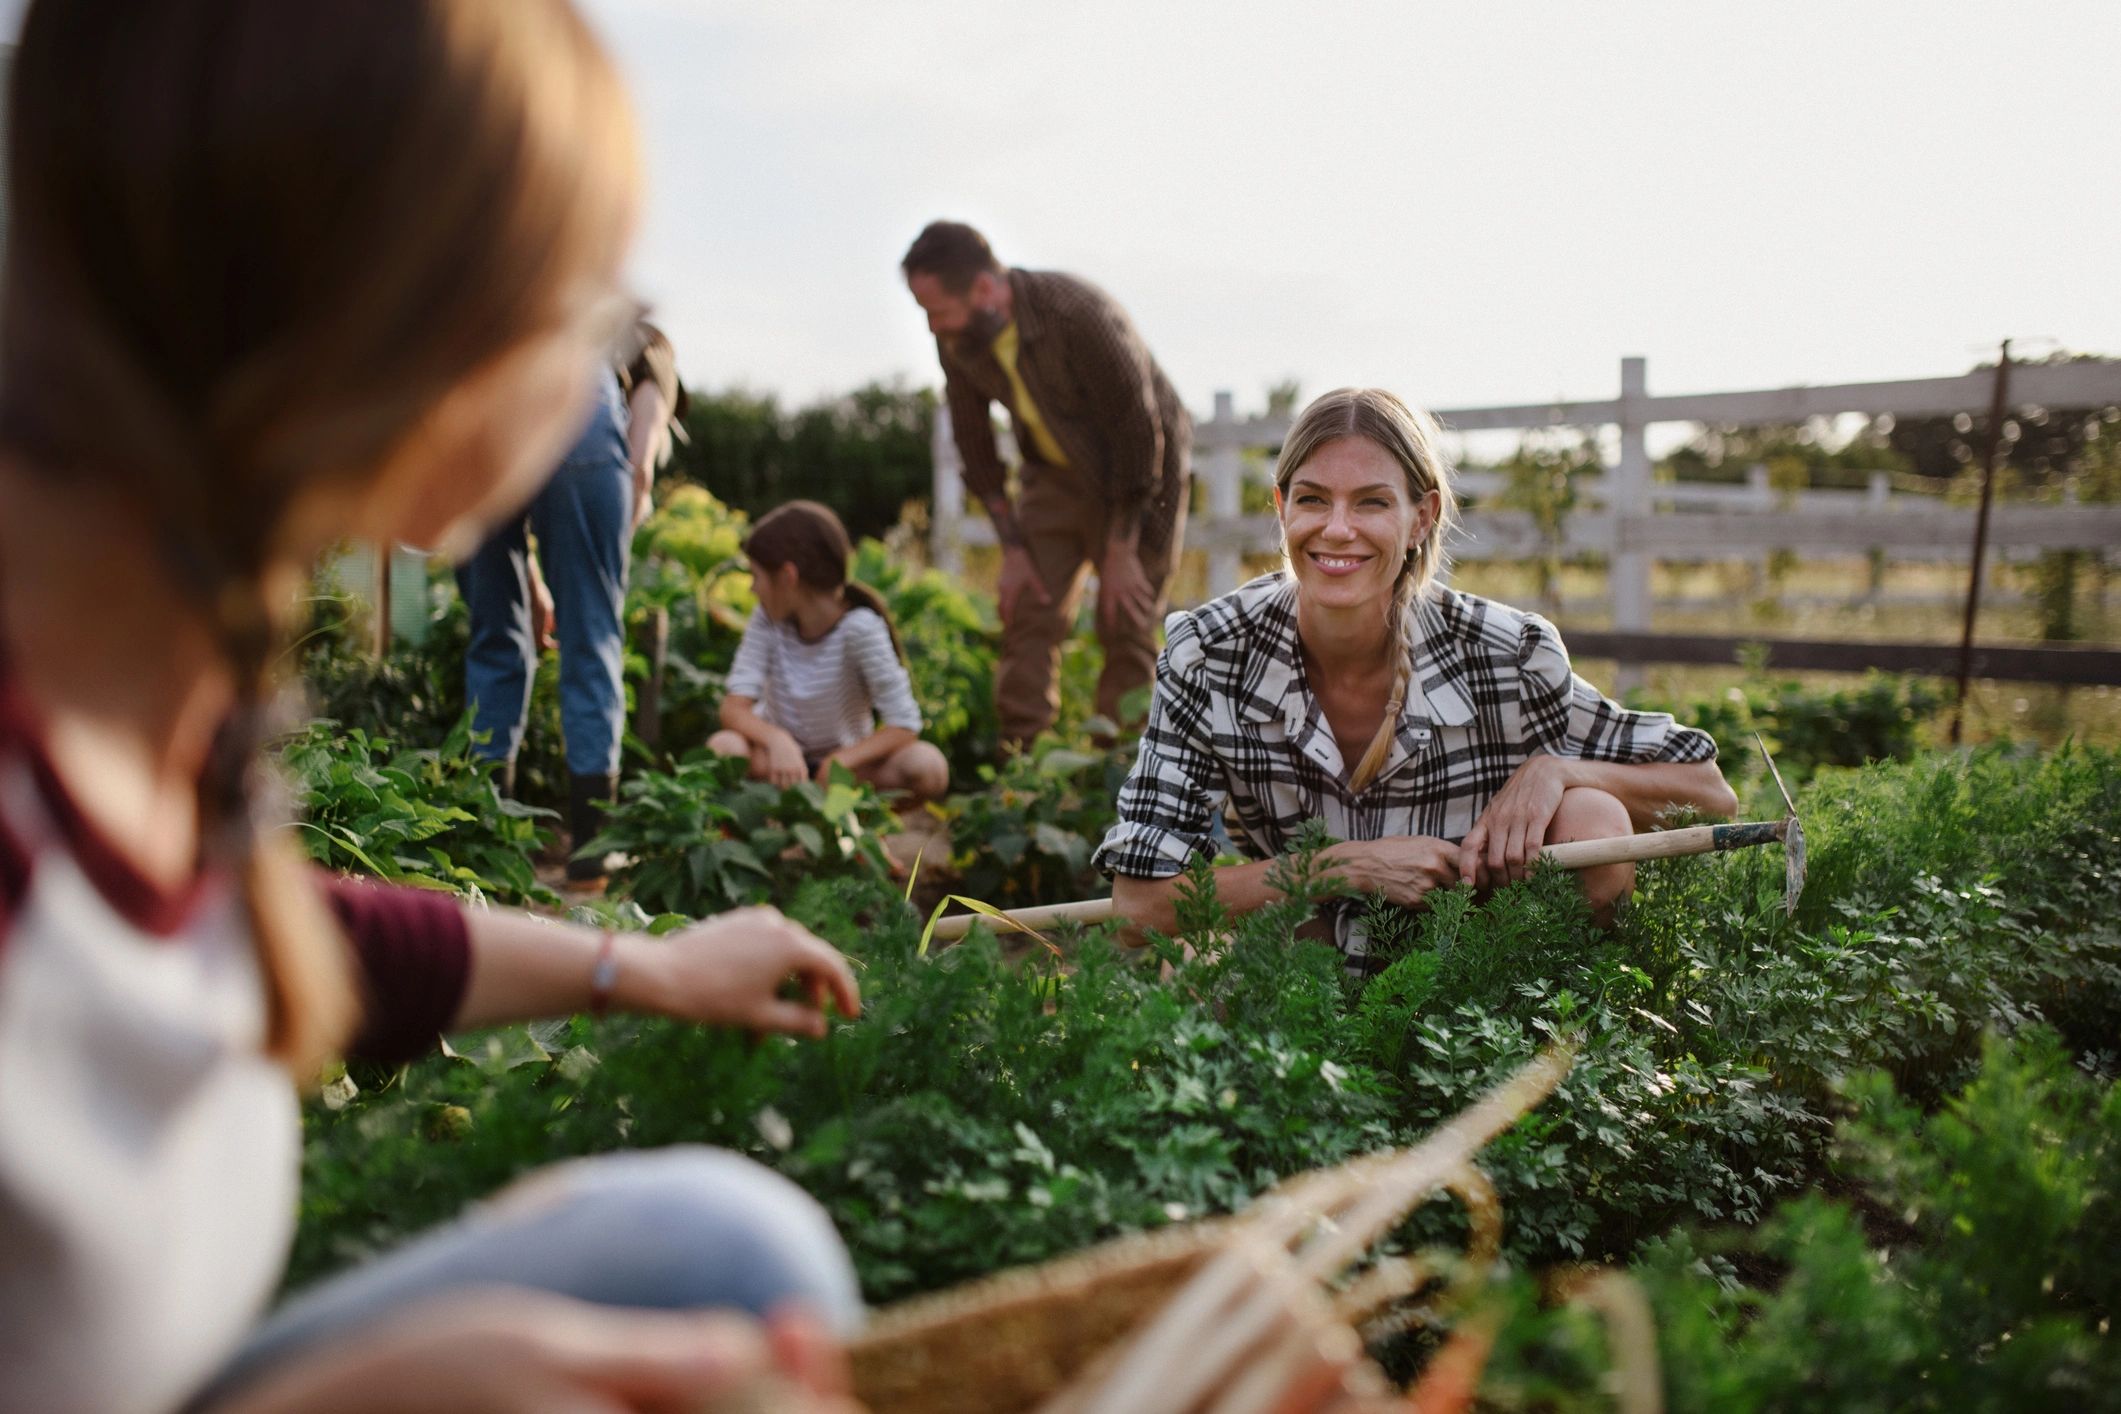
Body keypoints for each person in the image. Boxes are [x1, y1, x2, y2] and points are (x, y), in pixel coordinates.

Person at [0, 4, 864, 1411]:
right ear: (442, 331)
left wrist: (633, 967)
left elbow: (251, 925)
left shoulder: (150, 668)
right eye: (582, 300)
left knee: (721, 1245)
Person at [1093, 388, 1740, 972]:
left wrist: (1556, 772)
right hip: (1304, 959)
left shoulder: (1504, 654)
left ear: (1421, 516)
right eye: (1312, 499)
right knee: (1197, 970)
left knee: (1592, 817)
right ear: (1281, 507)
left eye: (1371, 502)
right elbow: (1135, 908)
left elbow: (1708, 794)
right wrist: (1342, 866)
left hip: (1476, 960)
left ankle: (1562, 1040)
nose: (1336, 529)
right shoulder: (1208, 654)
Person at [902, 220, 1191, 749]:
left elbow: (1136, 429)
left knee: (1125, 619)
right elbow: (974, 440)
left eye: (937, 311)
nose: (932, 328)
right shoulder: (960, 340)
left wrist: (1123, 548)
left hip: (1139, 478)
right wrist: (1012, 548)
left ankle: (1123, 768)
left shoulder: (1077, 313)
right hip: (1053, 477)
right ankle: (1024, 766)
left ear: (985, 290)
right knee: (1027, 610)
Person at [456, 318, 685, 888]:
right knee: (592, 637)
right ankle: (591, 850)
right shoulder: (593, 303)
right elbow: (654, 362)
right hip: (578, 407)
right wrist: (641, 463)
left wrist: (525, 579)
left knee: (495, 638)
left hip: (477, 414)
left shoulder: (481, 286)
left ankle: (488, 844)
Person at [709, 502, 951, 803]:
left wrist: (840, 761)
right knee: (724, 748)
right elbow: (733, 708)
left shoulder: (860, 629)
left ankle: (858, 827)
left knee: (928, 766)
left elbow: (904, 724)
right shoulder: (767, 620)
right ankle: (763, 829)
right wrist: (777, 739)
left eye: (756, 576)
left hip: (844, 773)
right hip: (780, 768)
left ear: (788, 576)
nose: (752, 589)